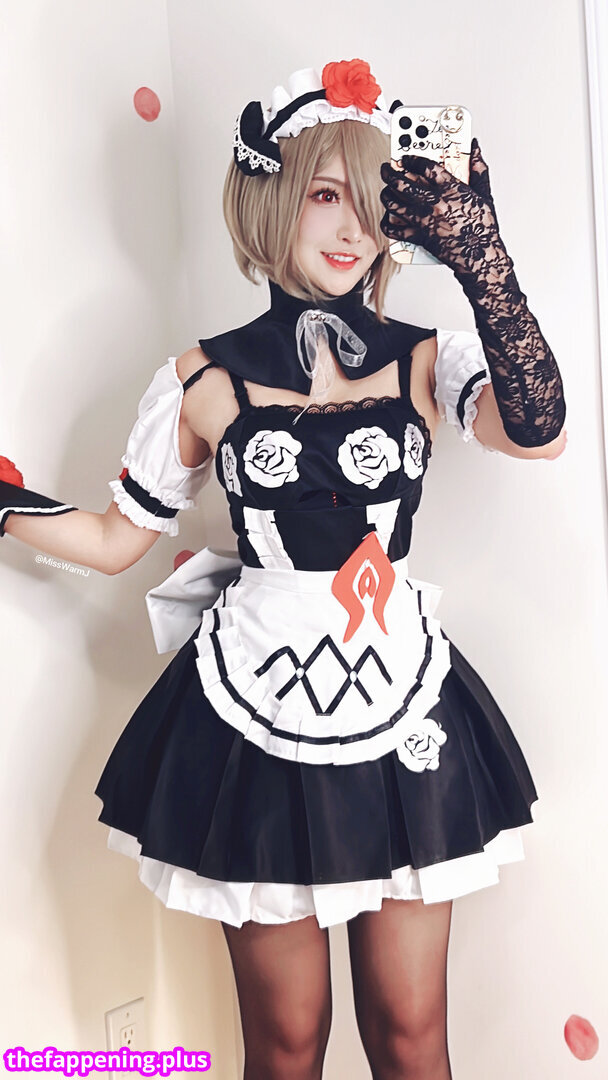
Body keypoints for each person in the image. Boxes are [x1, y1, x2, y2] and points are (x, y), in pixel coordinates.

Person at [0, 58, 566, 1080]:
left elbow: (539, 432)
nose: (353, 230)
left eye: (370, 202)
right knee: (287, 1044)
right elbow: (118, 539)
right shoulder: (201, 377)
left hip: (403, 690)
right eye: (323, 195)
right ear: (270, 196)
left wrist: (483, 257)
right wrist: (8, 505)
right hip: (253, 705)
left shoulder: (426, 355)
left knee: (411, 1038)